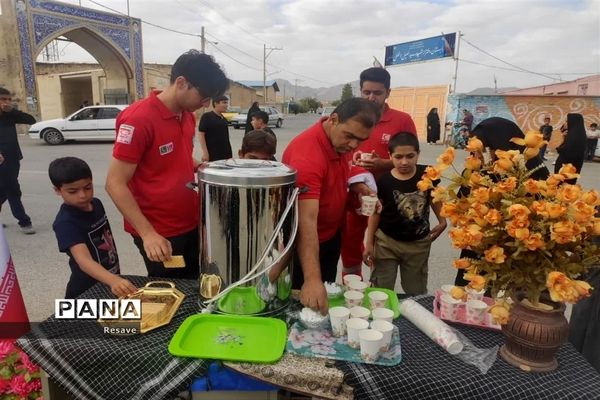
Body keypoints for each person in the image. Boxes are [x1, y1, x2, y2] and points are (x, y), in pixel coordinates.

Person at [105, 49, 229, 279]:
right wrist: (148, 234)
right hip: (160, 233)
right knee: (171, 293)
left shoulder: (187, 115)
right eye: (203, 97)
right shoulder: (138, 120)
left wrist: (206, 168)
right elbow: (115, 183)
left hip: (191, 222)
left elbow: (177, 157)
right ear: (181, 83)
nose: (204, 104)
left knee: (198, 283)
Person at [282, 97, 381, 314]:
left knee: (321, 299)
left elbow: (341, 171)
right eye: (350, 136)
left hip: (329, 237)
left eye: (361, 140)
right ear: (334, 119)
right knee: (302, 307)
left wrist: (358, 188)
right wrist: (312, 279)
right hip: (303, 245)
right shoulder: (307, 156)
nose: (354, 145)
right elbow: (305, 222)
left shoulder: (339, 143)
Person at [454, 117, 550, 286]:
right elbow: (462, 202)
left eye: (491, 148)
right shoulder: (483, 170)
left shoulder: (533, 171)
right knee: (470, 289)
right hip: (480, 241)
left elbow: (544, 207)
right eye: (485, 149)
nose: (489, 155)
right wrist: (477, 171)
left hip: (518, 244)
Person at [340, 67, 417, 278]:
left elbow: (411, 158)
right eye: (366, 92)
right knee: (352, 247)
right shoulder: (351, 119)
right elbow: (340, 153)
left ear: (388, 93)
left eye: (377, 93)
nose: (371, 97)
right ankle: (352, 292)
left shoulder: (402, 121)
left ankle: (377, 294)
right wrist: (354, 163)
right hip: (356, 196)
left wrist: (383, 164)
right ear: (360, 91)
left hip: (390, 198)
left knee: (381, 250)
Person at [363, 133, 446, 294]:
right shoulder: (384, 181)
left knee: (415, 291)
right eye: (398, 157)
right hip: (387, 243)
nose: (404, 162)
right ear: (390, 156)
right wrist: (369, 243)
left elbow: (434, 198)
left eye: (410, 156)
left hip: (418, 244)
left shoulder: (428, 174)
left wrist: (442, 221)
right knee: (381, 290)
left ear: (418, 154)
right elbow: (375, 212)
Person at [49, 157, 137, 299]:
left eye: (88, 187)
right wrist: (113, 280)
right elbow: (84, 261)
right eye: (73, 191)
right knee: (79, 321)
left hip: (109, 280)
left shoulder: (96, 204)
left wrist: (113, 279)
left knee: (122, 318)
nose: (83, 195)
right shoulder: (65, 222)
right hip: (85, 290)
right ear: (58, 190)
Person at [0, 87, 36, 234]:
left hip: (13, 157)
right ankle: (24, 221)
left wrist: (12, 111)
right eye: (3, 99)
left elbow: (31, 120)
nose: (7, 102)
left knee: (2, 191)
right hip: (1, 160)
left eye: (9, 99)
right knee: (13, 189)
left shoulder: (10, 115)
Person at [198, 95, 232, 162]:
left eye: (227, 103)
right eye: (224, 102)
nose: (226, 105)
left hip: (226, 154)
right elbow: (201, 135)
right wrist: (205, 153)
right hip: (212, 154)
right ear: (216, 103)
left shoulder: (224, 118)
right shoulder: (207, 117)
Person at [555, 113, 586, 183]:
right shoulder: (579, 135)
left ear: (573, 123)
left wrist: (563, 139)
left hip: (565, 174)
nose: (565, 124)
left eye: (566, 121)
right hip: (570, 173)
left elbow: (560, 150)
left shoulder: (573, 138)